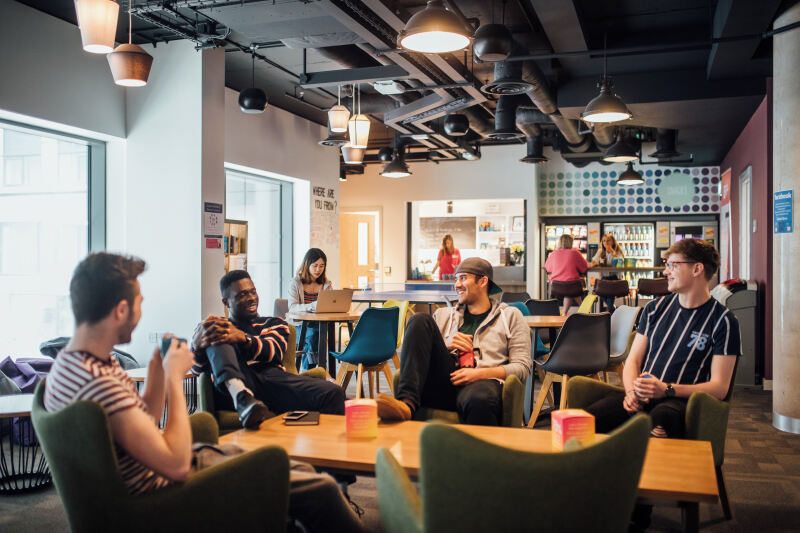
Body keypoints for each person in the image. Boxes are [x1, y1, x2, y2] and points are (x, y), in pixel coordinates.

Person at [44, 253, 365, 533]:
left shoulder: (77, 368)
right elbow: (175, 464)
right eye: (140, 304)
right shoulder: (100, 381)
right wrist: (172, 379)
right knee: (316, 485)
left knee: (302, 470)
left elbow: (141, 422)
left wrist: (157, 369)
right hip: (166, 495)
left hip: (157, 477)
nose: (142, 314)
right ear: (120, 310)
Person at [584, 239, 740, 439]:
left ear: (697, 269)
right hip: (642, 395)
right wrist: (631, 391)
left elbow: (720, 387)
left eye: (673, 265)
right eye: (667, 265)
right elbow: (633, 360)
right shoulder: (654, 309)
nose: (666, 271)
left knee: (662, 420)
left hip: (680, 400)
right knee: (586, 420)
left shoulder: (724, 321)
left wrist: (667, 390)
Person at [376, 257, 531, 426]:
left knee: (480, 399)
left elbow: (522, 367)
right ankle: (406, 404)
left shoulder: (510, 316)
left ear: (483, 281)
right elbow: (426, 355)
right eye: (456, 279)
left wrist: (479, 374)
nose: (457, 285)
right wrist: (447, 345)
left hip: (483, 383)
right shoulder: (443, 315)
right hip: (445, 381)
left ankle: (479, 451)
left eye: (463, 278)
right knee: (419, 319)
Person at [191, 270, 345, 429]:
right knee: (218, 330)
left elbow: (274, 352)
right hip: (228, 390)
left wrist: (243, 338)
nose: (251, 298)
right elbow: (197, 371)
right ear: (226, 302)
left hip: (272, 381)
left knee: (334, 393)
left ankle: (325, 449)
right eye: (242, 295)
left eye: (253, 292)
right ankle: (241, 395)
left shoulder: (273, 323)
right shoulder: (214, 327)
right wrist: (196, 347)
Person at [287, 248, 332, 371]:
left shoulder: (326, 284)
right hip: (298, 326)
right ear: (307, 265)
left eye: (322, 266)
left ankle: (309, 372)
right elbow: (292, 308)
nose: (318, 269)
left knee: (316, 333)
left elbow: (331, 305)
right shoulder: (295, 282)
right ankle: (321, 369)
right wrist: (313, 305)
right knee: (314, 335)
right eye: (315, 265)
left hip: (318, 325)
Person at [545, 233, 589, 313]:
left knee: (570, 292)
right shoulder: (575, 253)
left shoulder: (553, 253)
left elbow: (548, 268)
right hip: (573, 285)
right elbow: (584, 268)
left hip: (556, 286)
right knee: (572, 291)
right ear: (571, 242)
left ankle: (565, 313)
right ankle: (584, 311)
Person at [589, 233, 625, 312]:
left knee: (609, 295)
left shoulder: (617, 251)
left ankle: (610, 311)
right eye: (604, 241)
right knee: (599, 292)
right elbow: (594, 261)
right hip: (604, 278)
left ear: (613, 242)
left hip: (614, 278)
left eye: (608, 240)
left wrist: (612, 251)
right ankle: (612, 309)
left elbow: (620, 262)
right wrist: (597, 262)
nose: (606, 243)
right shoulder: (600, 251)